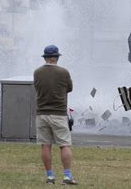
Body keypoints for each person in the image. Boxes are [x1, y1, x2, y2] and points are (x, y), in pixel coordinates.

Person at [34, 45, 77, 185]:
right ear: (57, 57)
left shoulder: (37, 72)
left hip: (42, 113)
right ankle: (67, 176)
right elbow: (69, 88)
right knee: (64, 145)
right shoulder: (63, 72)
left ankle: (50, 176)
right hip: (58, 113)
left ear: (45, 57)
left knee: (45, 145)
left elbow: (37, 87)